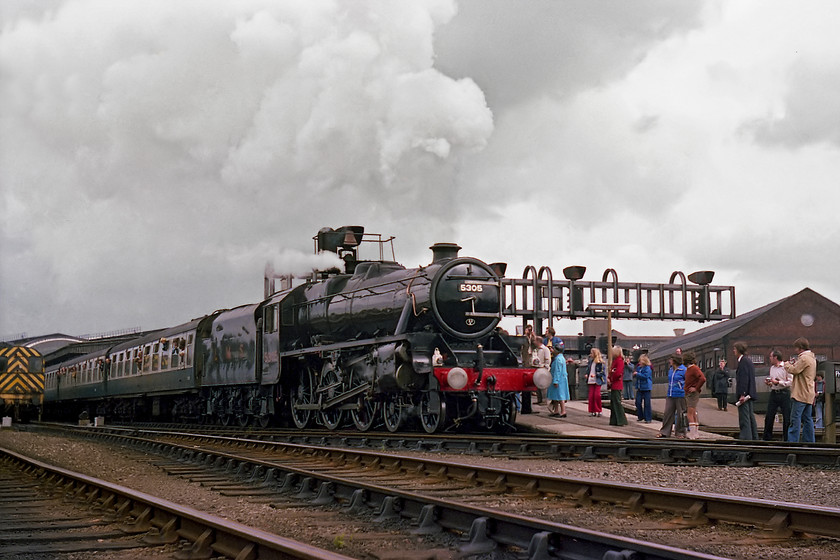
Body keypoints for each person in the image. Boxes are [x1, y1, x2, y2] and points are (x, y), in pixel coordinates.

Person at [784, 337, 817, 442]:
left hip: (800, 394)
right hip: (809, 393)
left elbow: (795, 370)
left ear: (800, 348)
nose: (795, 350)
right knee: (808, 419)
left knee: (795, 419)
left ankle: (793, 442)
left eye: (796, 348)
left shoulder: (804, 358)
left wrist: (786, 364)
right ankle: (810, 441)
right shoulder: (812, 358)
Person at [762, 350, 792, 441]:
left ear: (776, 357)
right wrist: (770, 383)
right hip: (774, 392)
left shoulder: (786, 368)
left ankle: (787, 438)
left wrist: (779, 382)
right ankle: (767, 437)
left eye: (771, 357)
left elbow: (790, 382)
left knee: (787, 417)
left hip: (784, 393)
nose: (769, 358)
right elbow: (773, 381)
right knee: (769, 416)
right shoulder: (772, 368)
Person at [658, 353, 687, 438]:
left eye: (671, 359)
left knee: (681, 414)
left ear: (675, 361)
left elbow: (687, 381)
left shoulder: (684, 370)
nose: (669, 361)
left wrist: (683, 388)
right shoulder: (671, 370)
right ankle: (665, 432)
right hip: (670, 394)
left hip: (680, 394)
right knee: (668, 413)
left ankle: (680, 432)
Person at [734, 341, 758, 440]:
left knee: (744, 418)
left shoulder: (743, 362)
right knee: (750, 417)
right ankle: (754, 437)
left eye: (735, 349)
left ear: (739, 350)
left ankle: (746, 438)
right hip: (750, 394)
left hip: (745, 395)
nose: (733, 351)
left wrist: (742, 394)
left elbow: (744, 379)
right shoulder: (748, 361)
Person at [682, 351, 706, 439]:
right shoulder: (690, 369)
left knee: (690, 414)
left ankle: (692, 434)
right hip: (689, 393)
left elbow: (702, 378)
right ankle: (695, 433)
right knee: (694, 413)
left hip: (692, 394)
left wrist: (696, 388)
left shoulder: (694, 369)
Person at [547, 344, 569, 417]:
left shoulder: (558, 360)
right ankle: (556, 410)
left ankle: (563, 411)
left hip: (559, 380)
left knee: (560, 396)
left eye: (553, 349)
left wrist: (556, 381)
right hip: (562, 379)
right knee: (555, 396)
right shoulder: (561, 358)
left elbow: (557, 371)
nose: (552, 350)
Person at [608, 345, 628, 426]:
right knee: (613, 403)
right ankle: (614, 420)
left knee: (617, 402)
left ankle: (621, 420)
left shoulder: (619, 361)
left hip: (617, 384)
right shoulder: (616, 360)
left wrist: (611, 379)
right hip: (614, 384)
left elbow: (618, 373)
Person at [519, 324, 537, 414]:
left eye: (530, 329)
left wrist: (533, 336)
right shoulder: (523, 338)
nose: (529, 331)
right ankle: (525, 408)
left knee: (530, 387)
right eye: (528, 329)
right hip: (526, 361)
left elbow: (535, 345)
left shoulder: (532, 339)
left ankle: (528, 408)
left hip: (532, 361)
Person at [586, 348, 605, 417]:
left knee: (597, 395)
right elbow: (588, 369)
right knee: (591, 396)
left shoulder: (600, 363)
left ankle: (599, 410)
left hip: (597, 380)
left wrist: (596, 375)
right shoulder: (590, 362)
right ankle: (592, 410)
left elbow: (602, 372)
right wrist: (587, 374)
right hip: (591, 380)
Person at [634, 354, 653, 423]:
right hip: (639, 387)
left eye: (641, 361)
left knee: (647, 403)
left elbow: (645, 376)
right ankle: (640, 416)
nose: (639, 363)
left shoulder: (647, 368)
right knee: (638, 402)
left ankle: (648, 418)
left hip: (646, 387)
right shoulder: (639, 368)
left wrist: (637, 374)